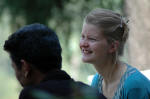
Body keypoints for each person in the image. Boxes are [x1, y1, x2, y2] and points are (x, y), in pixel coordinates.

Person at [4, 23, 106, 99]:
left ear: (25, 67)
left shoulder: (32, 95)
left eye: (14, 68)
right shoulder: (94, 94)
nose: (16, 75)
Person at [79, 8, 150, 99]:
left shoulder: (134, 87)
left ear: (112, 46)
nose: (83, 44)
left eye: (92, 39)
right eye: (83, 37)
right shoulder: (97, 81)